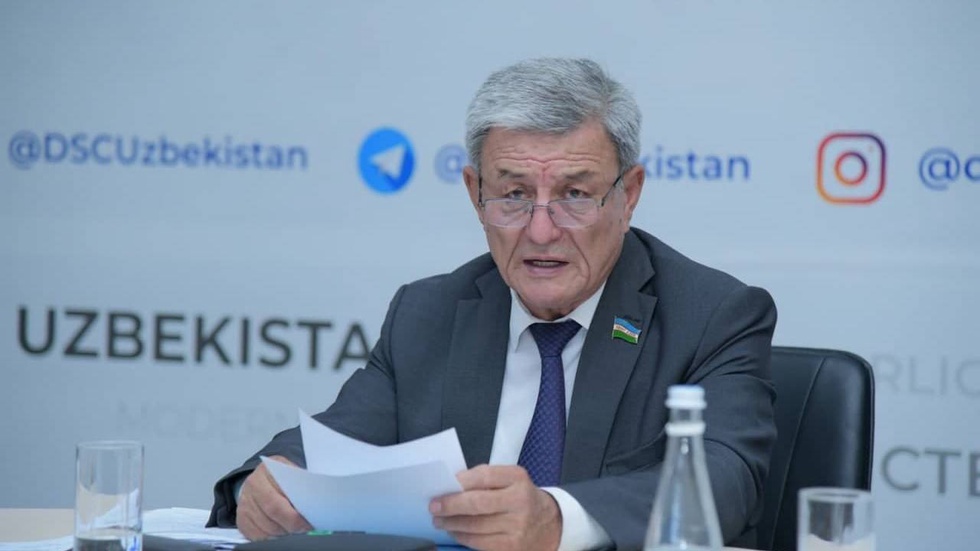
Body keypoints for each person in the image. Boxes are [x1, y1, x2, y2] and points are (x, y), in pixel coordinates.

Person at [208, 57, 777, 551]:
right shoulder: (428, 313)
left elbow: (723, 481)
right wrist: (264, 484)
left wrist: (556, 519)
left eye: (575, 194)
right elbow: (334, 445)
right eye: (514, 194)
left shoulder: (711, 316)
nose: (541, 230)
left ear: (628, 196)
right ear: (474, 194)